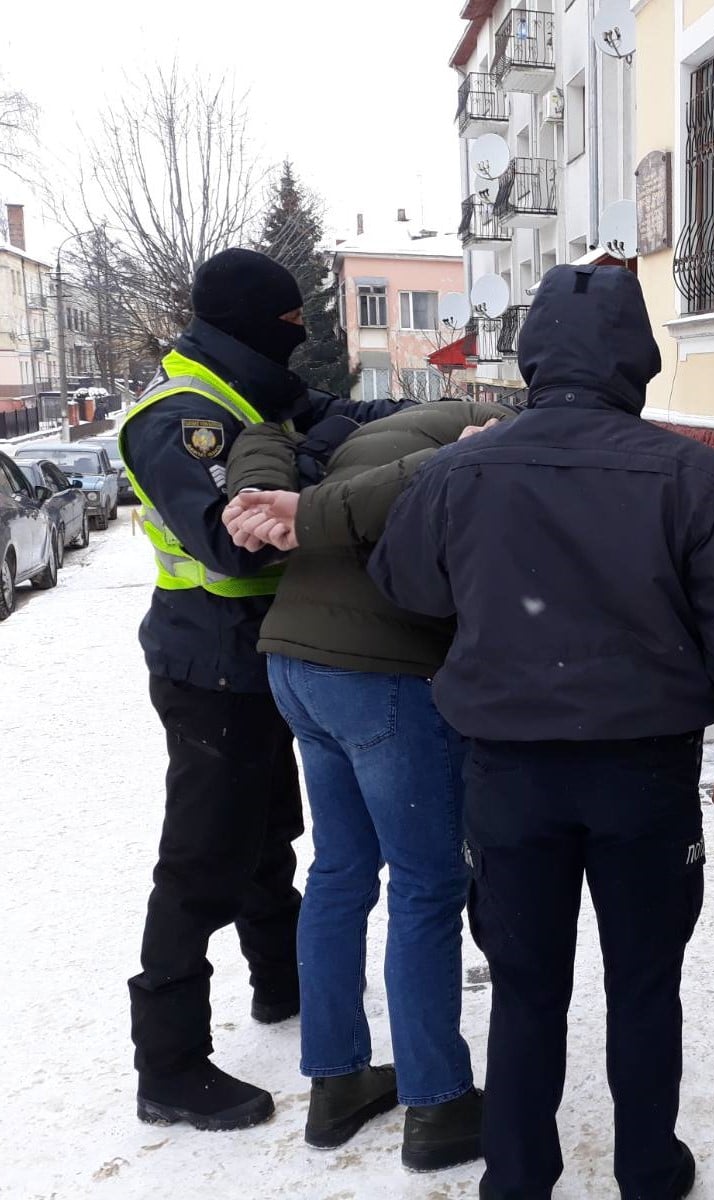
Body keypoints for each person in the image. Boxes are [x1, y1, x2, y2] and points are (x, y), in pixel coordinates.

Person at [369, 264, 714, 1200]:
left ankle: (519, 1178)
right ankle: (648, 1169)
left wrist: (494, 600)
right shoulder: (694, 475)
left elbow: (405, 586)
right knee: (645, 981)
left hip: (509, 774)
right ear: (637, 358)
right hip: (642, 774)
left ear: (533, 357)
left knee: (525, 987)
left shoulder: (460, 472)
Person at [118, 248, 404, 1131]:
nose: (299, 338)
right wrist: (311, 462)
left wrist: (437, 425)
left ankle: (281, 984)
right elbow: (232, 541)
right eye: (288, 324)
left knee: (269, 832)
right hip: (208, 665)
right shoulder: (182, 416)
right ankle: (168, 1065)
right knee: (201, 860)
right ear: (248, 324)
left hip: (260, 655)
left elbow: (345, 418)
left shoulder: (251, 391)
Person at [220, 398, 520, 1169]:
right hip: (381, 673)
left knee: (340, 872)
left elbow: (271, 440)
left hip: (295, 662)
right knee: (426, 883)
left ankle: (336, 1082)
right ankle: (439, 1103)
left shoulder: (357, 440)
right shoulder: (477, 437)